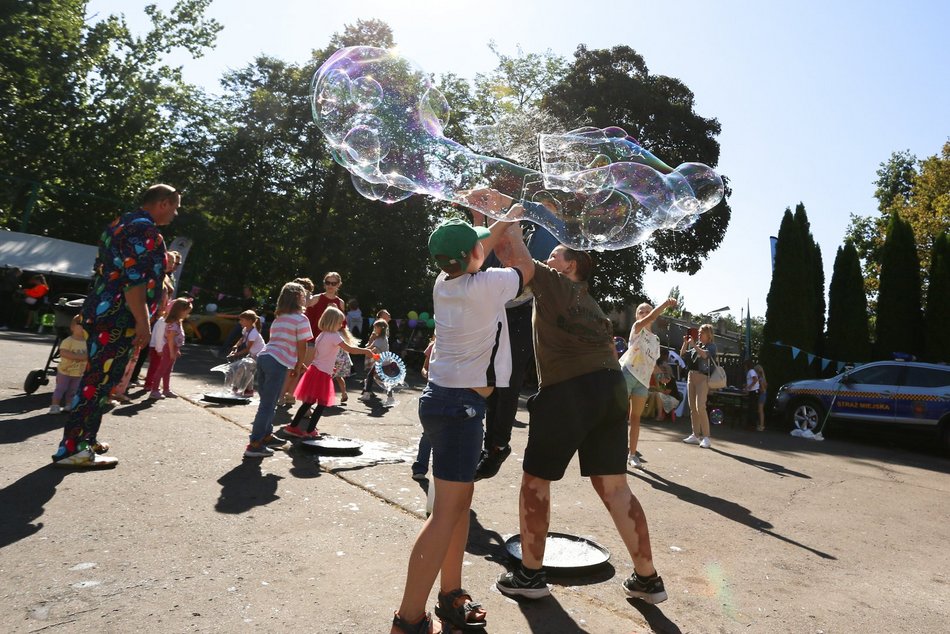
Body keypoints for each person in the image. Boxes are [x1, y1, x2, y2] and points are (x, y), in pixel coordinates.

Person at [492, 204, 667, 607]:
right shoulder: (593, 308)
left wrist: (508, 209)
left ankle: (530, 575)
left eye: (556, 254)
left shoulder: (554, 282)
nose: (549, 257)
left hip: (569, 391)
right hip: (610, 391)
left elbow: (511, 253)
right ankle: (648, 579)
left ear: (571, 266)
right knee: (615, 486)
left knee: (536, 481)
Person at [390, 216, 527, 634]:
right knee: (444, 514)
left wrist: (494, 226)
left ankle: (451, 595)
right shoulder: (489, 285)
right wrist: (515, 230)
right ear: (474, 255)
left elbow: (473, 246)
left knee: (457, 505)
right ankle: (409, 619)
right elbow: (528, 269)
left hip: (442, 402)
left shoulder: (443, 282)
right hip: (460, 408)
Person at [51, 184, 178, 468]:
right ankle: (73, 449)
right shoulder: (145, 231)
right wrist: (143, 322)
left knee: (98, 379)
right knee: (97, 383)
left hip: (104, 309)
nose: (176, 213)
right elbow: (134, 280)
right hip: (120, 316)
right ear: (164, 203)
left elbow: (107, 269)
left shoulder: (119, 223)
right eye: (175, 207)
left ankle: (85, 437)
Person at [282, 307, 374, 439]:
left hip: (315, 370)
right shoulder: (334, 335)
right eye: (339, 322)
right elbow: (350, 349)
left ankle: (293, 427)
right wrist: (366, 351)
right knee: (322, 403)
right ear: (333, 322)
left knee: (309, 401)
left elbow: (321, 355)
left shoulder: (321, 335)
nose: (341, 325)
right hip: (322, 373)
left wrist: (331, 368)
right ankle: (310, 430)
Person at [245, 282, 312, 458]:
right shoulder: (301, 319)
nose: (305, 298)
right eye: (304, 295)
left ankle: (266, 436)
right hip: (276, 362)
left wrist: (294, 363)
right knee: (268, 405)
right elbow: (302, 345)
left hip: (265, 357)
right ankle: (255, 445)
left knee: (269, 401)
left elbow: (279, 342)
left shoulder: (279, 318)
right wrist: (298, 364)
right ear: (297, 298)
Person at [619, 299, 677, 468]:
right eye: (641, 312)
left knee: (635, 418)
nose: (644, 314)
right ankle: (616, 451)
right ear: (637, 316)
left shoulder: (656, 340)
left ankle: (632, 455)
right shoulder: (637, 328)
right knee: (619, 417)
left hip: (642, 382)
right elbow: (652, 315)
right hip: (628, 374)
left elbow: (653, 366)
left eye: (647, 311)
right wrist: (665, 304)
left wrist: (664, 380)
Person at [680, 323, 718, 448]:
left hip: (703, 378)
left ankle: (706, 437)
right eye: (699, 333)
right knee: (693, 408)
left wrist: (694, 345)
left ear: (709, 335)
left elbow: (705, 355)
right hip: (691, 377)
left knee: (700, 406)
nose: (699, 335)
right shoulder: (698, 345)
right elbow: (682, 354)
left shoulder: (711, 346)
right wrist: (686, 343)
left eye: (702, 333)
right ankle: (695, 435)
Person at [148, 297, 192, 399]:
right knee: (161, 370)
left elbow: (176, 340)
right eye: (187, 312)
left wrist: (177, 350)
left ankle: (166, 389)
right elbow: (170, 339)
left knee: (168, 370)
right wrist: (172, 352)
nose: (187, 314)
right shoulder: (172, 324)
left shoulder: (177, 322)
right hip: (169, 348)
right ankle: (154, 390)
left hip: (173, 348)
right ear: (180, 311)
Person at [49, 315, 87, 414]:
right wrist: (78, 356)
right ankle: (55, 405)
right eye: (81, 325)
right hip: (65, 371)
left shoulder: (87, 342)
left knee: (73, 390)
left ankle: (69, 404)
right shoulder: (69, 341)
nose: (84, 328)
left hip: (78, 372)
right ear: (73, 327)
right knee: (60, 388)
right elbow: (63, 353)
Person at [410, 333, 436, 481]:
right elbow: (424, 368)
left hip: (449, 394)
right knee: (427, 434)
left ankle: (441, 475)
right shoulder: (433, 346)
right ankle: (420, 468)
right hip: (431, 393)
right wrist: (427, 374)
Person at [225, 310, 264, 396]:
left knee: (243, 369)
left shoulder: (254, 333)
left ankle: (238, 388)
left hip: (259, 355)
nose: (240, 322)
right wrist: (236, 346)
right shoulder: (246, 329)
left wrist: (235, 354)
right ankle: (248, 390)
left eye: (242, 320)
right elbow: (242, 339)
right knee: (247, 371)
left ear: (250, 321)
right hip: (252, 354)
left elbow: (247, 349)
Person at [360, 319, 389, 402]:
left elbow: (373, 349)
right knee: (379, 378)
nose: (374, 329)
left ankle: (367, 394)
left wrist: (360, 350)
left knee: (371, 376)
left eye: (376, 327)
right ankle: (390, 396)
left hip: (382, 362)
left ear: (381, 328)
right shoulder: (380, 338)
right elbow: (370, 347)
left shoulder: (381, 339)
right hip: (381, 361)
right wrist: (360, 349)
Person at [754, 364, 768, 431]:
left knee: (760, 411)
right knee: (760, 411)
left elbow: (762, 390)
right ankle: (760, 425)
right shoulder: (763, 379)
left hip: (762, 395)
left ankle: (761, 425)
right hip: (764, 395)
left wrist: (758, 388)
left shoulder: (760, 379)